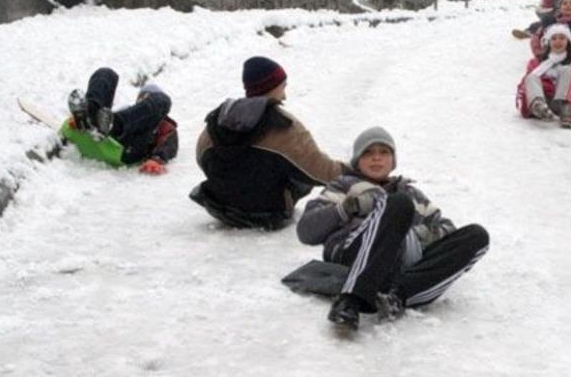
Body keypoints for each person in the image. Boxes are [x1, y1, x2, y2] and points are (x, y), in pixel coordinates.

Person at [297, 127, 489, 331]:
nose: (376, 159)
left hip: (401, 264)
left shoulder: (411, 193)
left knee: (477, 236)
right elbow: (307, 231)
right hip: (354, 254)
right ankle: (351, 299)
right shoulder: (343, 186)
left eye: (383, 152)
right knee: (398, 204)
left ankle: (397, 298)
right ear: (357, 160)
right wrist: (348, 207)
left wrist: (418, 235)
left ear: (393, 160)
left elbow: (446, 228)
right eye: (368, 153)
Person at [191, 56, 346, 231]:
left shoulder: (218, 118)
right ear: (271, 87)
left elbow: (201, 158)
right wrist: (361, 172)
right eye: (283, 87)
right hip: (267, 213)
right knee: (300, 171)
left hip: (219, 206)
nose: (285, 95)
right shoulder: (283, 125)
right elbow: (320, 171)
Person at [67, 67, 178, 174]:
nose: (144, 100)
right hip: (106, 133)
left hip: (128, 148)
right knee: (106, 73)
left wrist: (157, 158)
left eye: (149, 97)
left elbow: (169, 143)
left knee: (164, 101)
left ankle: (114, 125)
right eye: (142, 97)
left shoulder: (162, 124)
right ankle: (89, 116)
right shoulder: (125, 112)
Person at [516, 19, 571, 127]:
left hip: (563, 103)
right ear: (548, 43)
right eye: (554, 39)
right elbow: (524, 87)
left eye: (562, 38)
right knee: (531, 77)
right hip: (542, 100)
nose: (558, 42)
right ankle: (538, 107)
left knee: (566, 70)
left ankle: (565, 109)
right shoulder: (536, 63)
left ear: (568, 42)